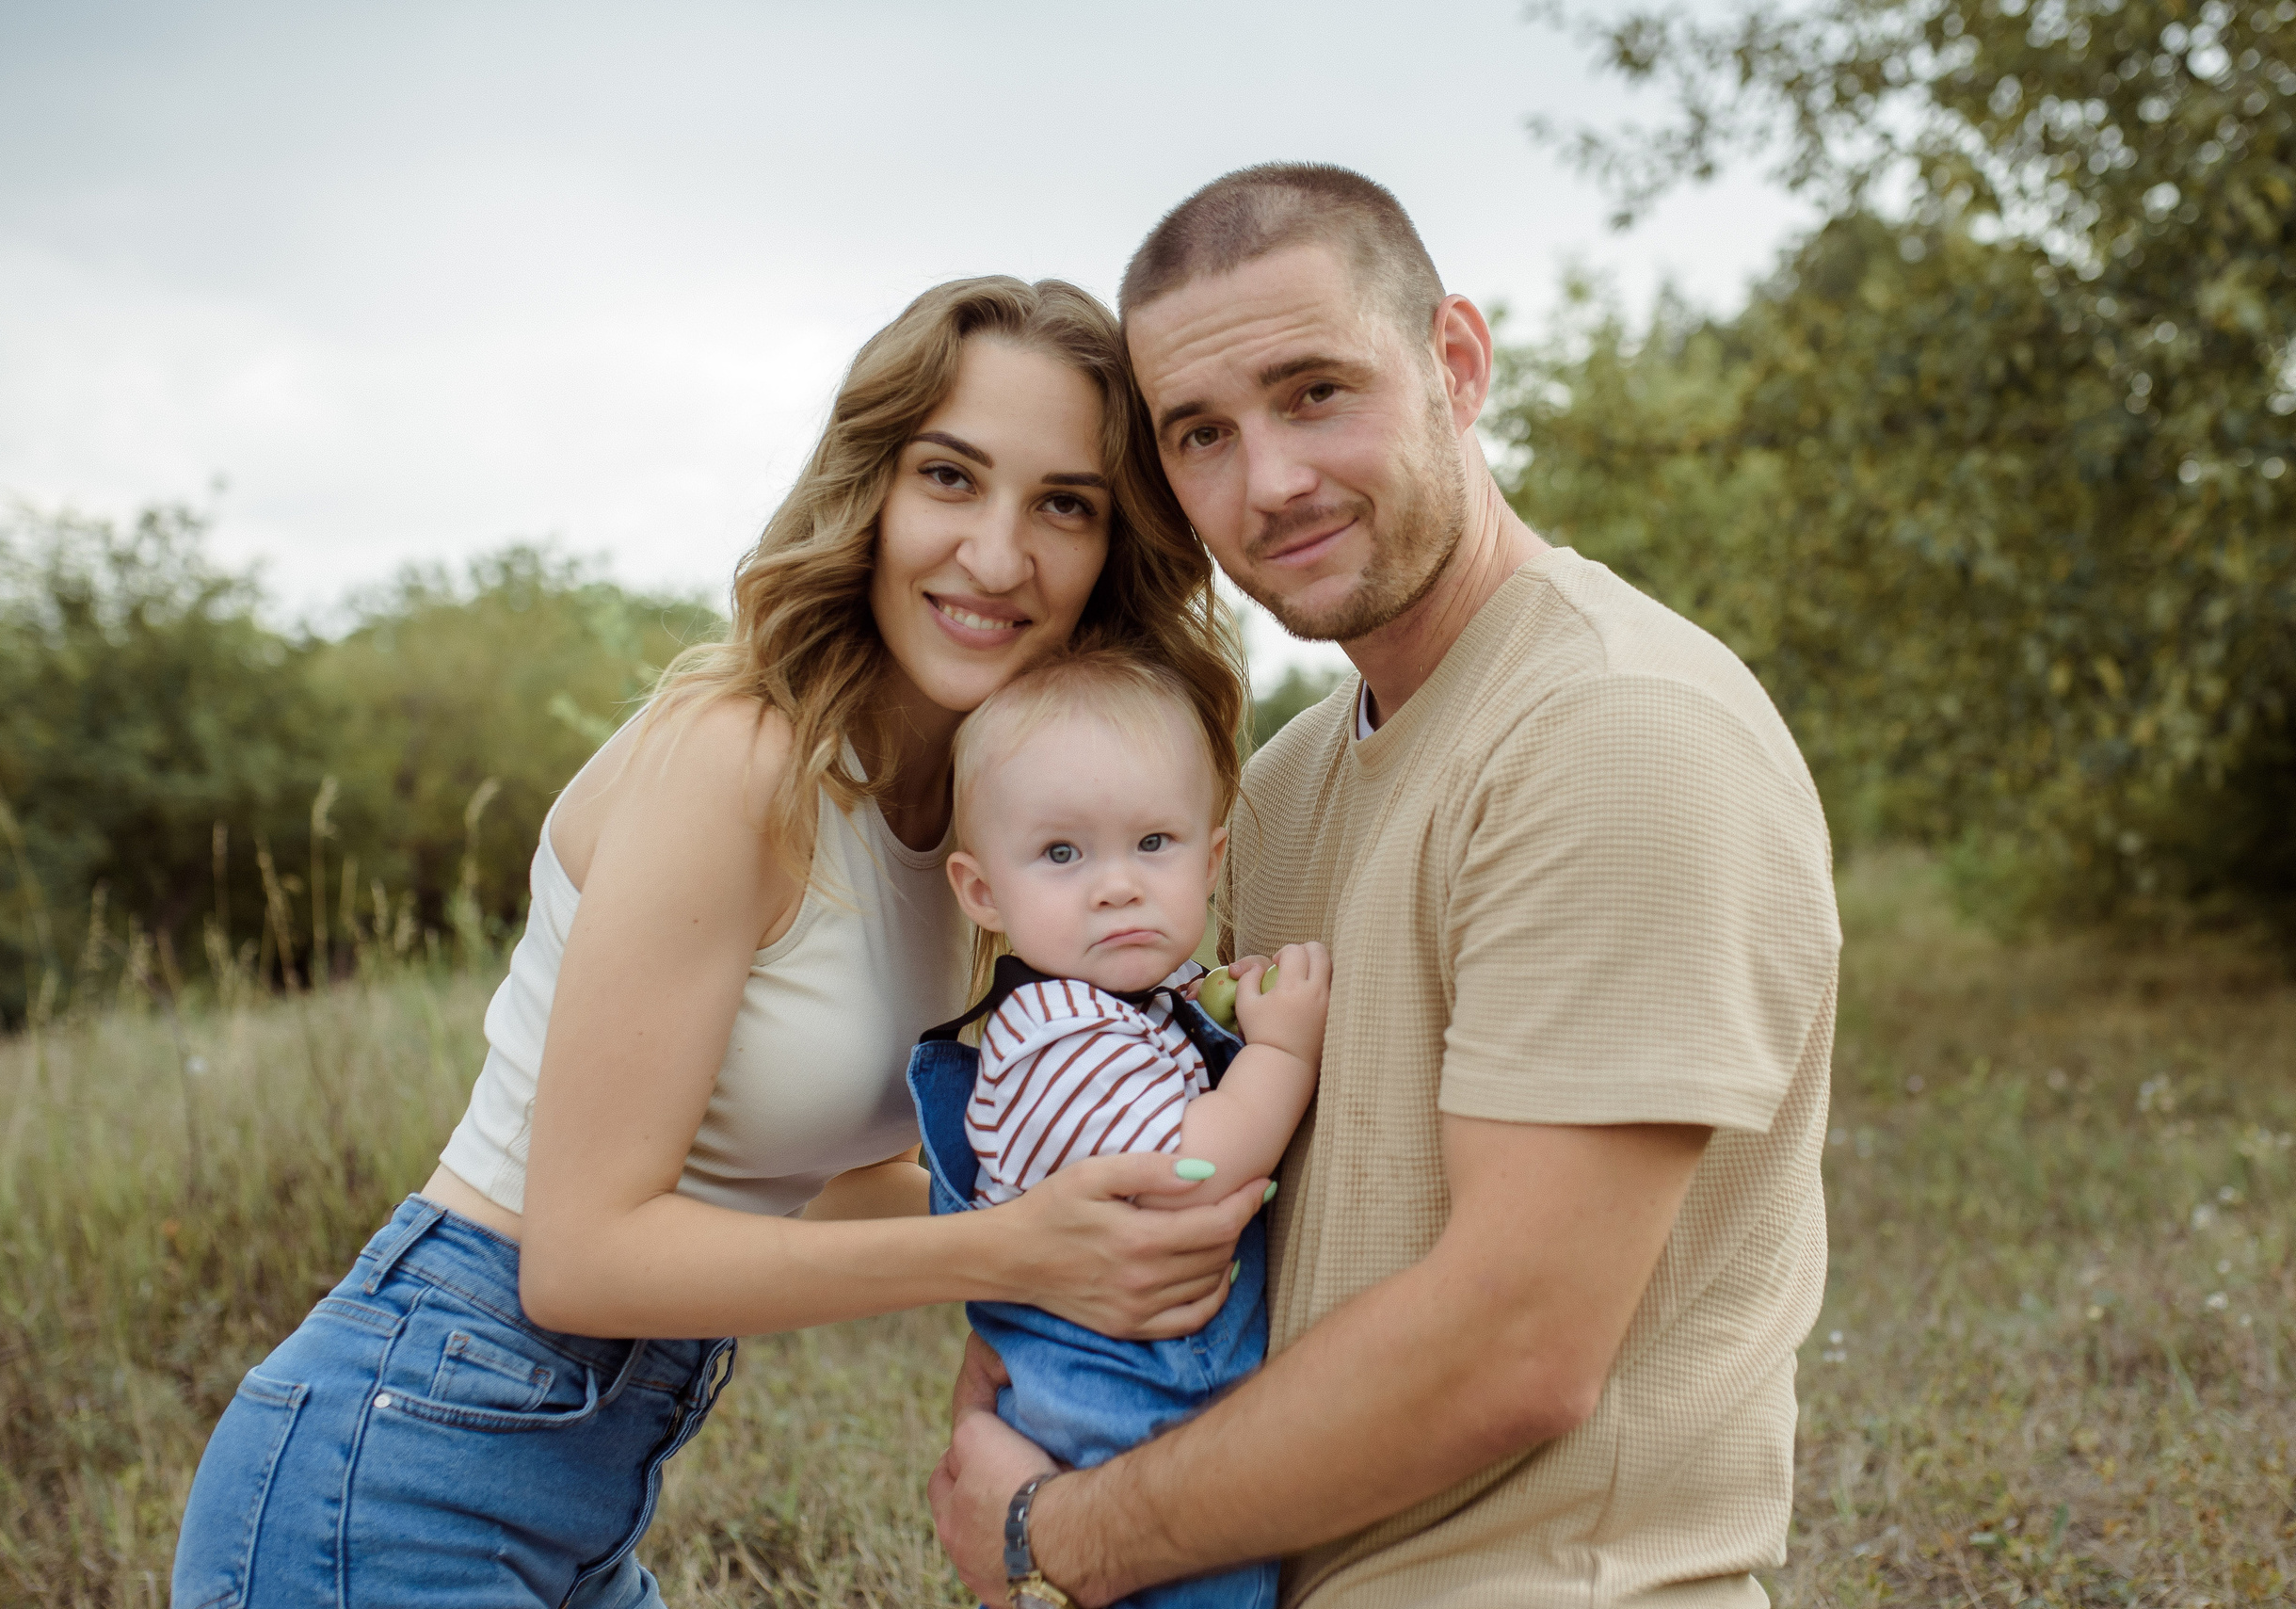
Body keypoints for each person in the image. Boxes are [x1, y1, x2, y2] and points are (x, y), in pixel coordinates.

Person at [169, 275, 1269, 1609]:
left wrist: (1112, 1194)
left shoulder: (981, 836)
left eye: (1064, 503)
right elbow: (583, 1256)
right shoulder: (739, 757)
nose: (995, 553)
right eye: (949, 477)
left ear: (1114, 548)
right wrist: (1014, 1247)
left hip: (574, 1477)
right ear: (871, 490)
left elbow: (800, 1175)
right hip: (403, 1453)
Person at [929, 167, 1841, 1608]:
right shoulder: (1282, 786)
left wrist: (1068, 1535)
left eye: (1315, 393)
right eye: (1202, 435)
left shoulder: (1617, 731)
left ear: (1456, 365)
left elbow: (1516, 1346)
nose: (1270, 483)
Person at [907, 649, 1330, 1609]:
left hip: (1158, 1413)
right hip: (1124, 1430)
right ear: (980, 890)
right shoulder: (1055, 1033)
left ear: (1211, 856)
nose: (1116, 885)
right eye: (1061, 853)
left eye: (1153, 843)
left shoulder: (1137, 1000)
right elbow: (1196, 1165)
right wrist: (1284, 1053)